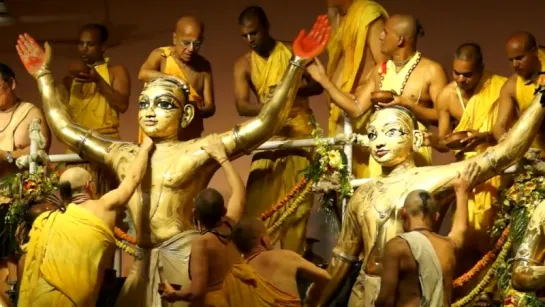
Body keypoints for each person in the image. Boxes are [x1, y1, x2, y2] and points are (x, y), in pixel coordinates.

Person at [16, 15, 329, 307]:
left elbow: (264, 124)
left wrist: (296, 65)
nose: (150, 112)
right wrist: (43, 75)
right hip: (141, 263)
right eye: (144, 104)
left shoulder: (198, 150)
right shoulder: (124, 154)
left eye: (164, 104)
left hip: (182, 260)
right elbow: (66, 130)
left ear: (186, 114)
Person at [303, 80, 545, 306]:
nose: (378, 142)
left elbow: (504, 153)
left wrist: (539, 101)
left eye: (391, 132)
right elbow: (342, 258)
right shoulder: (363, 193)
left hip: (410, 291)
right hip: (364, 290)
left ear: (416, 139)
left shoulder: (430, 179)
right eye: (373, 134)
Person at [17, 136, 153, 307]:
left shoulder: (49, 220)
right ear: (90, 185)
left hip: (41, 298)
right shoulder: (104, 207)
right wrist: (146, 147)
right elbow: (132, 179)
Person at [308, 14, 448, 177]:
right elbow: (356, 109)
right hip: (380, 152)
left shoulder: (431, 70)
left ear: (400, 40)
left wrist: (407, 104)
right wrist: (324, 81)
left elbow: (441, 116)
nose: (380, 36)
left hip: (414, 153)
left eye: (385, 33)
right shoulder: (377, 72)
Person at [234, 6, 323, 253]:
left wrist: (290, 91)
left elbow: (318, 86)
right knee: (255, 207)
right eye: (244, 35)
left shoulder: (293, 52)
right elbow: (241, 105)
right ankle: (257, 269)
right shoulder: (244, 63)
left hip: (300, 134)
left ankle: (290, 272)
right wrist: (268, 106)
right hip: (269, 135)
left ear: (266, 28)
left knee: (298, 209)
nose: (250, 40)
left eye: (254, 33)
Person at [375, 163, 477, 307]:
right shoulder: (448, 246)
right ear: (436, 217)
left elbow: (386, 300)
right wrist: (462, 192)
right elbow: (460, 230)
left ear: (403, 212)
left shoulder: (397, 246)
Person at [160, 135, 245, 305]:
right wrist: (221, 157)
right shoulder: (231, 223)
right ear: (224, 210)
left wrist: (174, 295)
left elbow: (197, 292)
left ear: (194, 214)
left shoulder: (202, 243)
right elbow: (239, 190)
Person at [61, 23, 130, 197]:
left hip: (104, 147)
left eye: (90, 44)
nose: (84, 49)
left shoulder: (116, 71)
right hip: (76, 149)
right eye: (81, 44)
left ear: (103, 47)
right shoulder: (70, 79)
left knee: (104, 202)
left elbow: (122, 105)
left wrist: (98, 81)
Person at [0, 62, 50, 293]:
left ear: (12, 84)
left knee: (15, 247)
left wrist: (7, 156)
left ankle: (14, 289)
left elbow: (40, 151)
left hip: (16, 194)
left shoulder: (30, 112)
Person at [324, 0, 388, 179]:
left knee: (362, 183)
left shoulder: (368, 14)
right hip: (339, 109)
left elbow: (384, 67)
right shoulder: (335, 15)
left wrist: (362, 95)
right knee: (339, 183)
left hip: (362, 112)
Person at [138, 16, 215, 142]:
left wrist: (191, 110)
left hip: (188, 134)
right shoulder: (162, 57)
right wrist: (173, 79)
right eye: (185, 43)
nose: (190, 49)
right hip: (158, 134)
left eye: (196, 44)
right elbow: (143, 74)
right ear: (175, 38)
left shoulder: (203, 67)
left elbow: (210, 107)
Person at [231, 218, 331, 306]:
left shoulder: (236, 273)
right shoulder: (285, 256)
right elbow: (324, 277)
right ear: (263, 240)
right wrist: (310, 302)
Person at [493, 31, 545, 155]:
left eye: (519, 58)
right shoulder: (511, 86)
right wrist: (504, 140)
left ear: (534, 52)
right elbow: (500, 126)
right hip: (536, 153)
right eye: (511, 60)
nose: (515, 64)